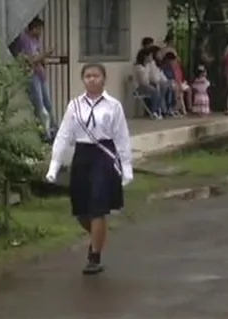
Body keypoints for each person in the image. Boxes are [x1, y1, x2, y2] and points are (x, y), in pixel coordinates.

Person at [45, 63, 134, 275]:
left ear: (104, 79)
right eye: (87, 76)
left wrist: (127, 167)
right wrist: (53, 166)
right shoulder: (74, 106)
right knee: (81, 209)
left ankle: (94, 256)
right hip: (82, 156)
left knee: (98, 205)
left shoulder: (113, 106)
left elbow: (122, 137)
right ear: (82, 79)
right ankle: (98, 236)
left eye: (95, 76)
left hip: (104, 156)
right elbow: (64, 136)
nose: (91, 79)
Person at [17, 17, 57, 142]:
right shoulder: (24, 40)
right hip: (32, 75)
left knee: (48, 103)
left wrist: (43, 60)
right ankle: (46, 133)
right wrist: (46, 54)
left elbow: (38, 56)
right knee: (40, 105)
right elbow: (31, 60)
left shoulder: (35, 40)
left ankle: (53, 130)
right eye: (39, 28)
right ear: (33, 28)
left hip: (40, 74)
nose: (40, 31)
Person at [133, 49, 165, 119]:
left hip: (147, 85)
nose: (151, 57)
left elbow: (152, 77)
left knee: (160, 88)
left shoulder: (148, 65)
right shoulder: (139, 67)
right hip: (140, 87)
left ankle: (159, 109)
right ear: (145, 57)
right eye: (150, 56)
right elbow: (143, 81)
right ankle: (153, 111)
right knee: (154, 91)